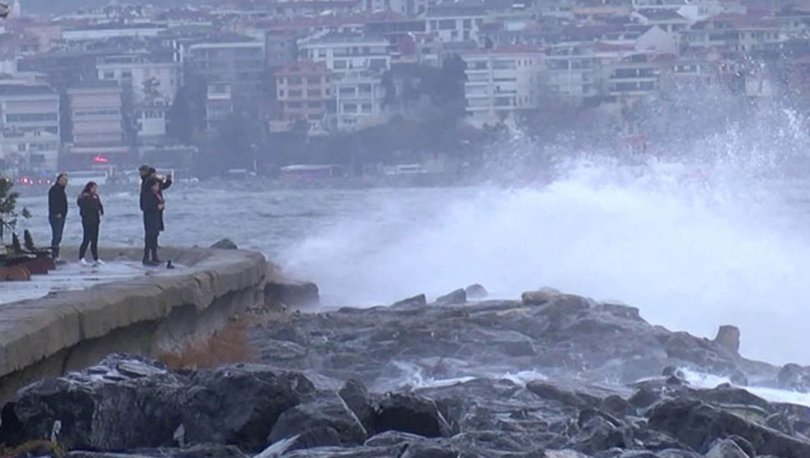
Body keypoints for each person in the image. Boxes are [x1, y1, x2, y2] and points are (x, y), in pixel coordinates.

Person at [77, 181, 104, 265]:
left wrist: (101, 212)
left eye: (96, 188)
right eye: (93, 188)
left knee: (94, 241)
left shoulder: (96, 196)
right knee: (86, 239)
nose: (95, 189)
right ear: (89, 188)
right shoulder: (84, 197)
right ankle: (81, 257)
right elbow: (82, 206)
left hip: (96, 221)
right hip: (87, 221)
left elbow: (100, 206)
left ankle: (95, 258)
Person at [142, 177, 165, 265]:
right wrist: (157, 207)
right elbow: (146, 207)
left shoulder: (157, 194)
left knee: (155, 236)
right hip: (150, 218)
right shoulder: (148, 195)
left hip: (157, 217)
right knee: (149, 237)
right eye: (156, 185)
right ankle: (146, 257)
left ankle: (155, 256)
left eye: (158, 185)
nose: (157, 187)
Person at [47, 173, 68, 263]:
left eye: (66, 180)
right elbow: (53, 203)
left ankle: (56, 255)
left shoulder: (61, 190)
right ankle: (54, 256)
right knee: (56, 236)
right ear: (59, 180)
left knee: (58, 236)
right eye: (64, 180)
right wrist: (56, 213)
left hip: (61, 216)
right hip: (56, 216)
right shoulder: (54, 190)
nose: (66, 182)